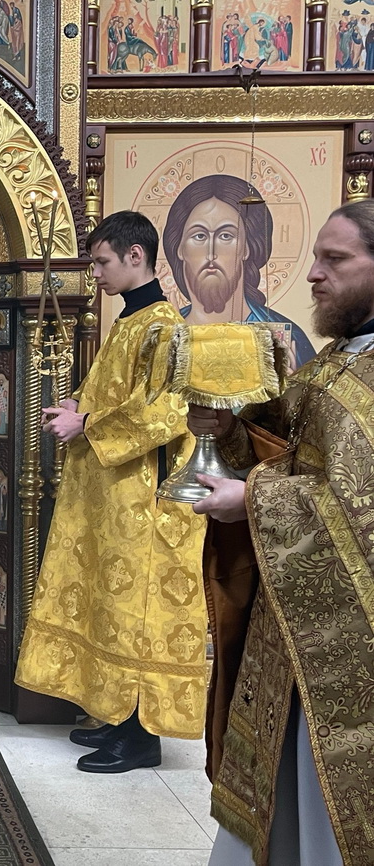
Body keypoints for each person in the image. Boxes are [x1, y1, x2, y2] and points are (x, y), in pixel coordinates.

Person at [192, 200, 374, 866]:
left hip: (352, 639)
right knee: (277, 782)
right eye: (317, 257)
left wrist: (252, 500)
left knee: (329, 796)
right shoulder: (334, 361)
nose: (315, 274)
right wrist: (230, 431)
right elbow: (282, 452)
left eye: (336, 259)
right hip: (292, 618)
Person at [14, 210, 208, 773]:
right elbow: (114, 390)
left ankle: (140, 738)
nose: (95, 273)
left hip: (142, 501)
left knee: (135, 611)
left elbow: (166, 412)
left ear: (134, 256)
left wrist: (86, 424)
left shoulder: (163, 327)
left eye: (101, 262)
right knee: (110, 605)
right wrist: (79, 402)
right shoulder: (130, 321)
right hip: (110, 496)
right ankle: (115, 716)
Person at [161, 174, 314, 368]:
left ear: (247, 248)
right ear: (180, 248)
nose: (211, 253)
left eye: (226, 236)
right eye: (199, 236)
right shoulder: (163, 335)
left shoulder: (289, 340)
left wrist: (290, 383)